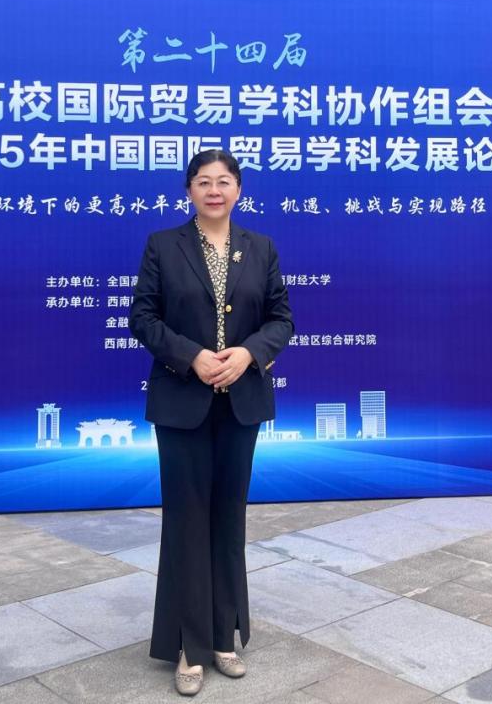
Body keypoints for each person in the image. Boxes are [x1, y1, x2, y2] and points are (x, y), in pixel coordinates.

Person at [129, 149, 295, 696]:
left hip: (240, 402)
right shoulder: (163, 245)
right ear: (189, 191)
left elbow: (281, 319)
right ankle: (189, 646)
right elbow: (142, 317)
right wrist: (193, 357)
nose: (214, 190)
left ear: (239, 190)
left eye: (224, 181)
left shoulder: (260, 247)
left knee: (228, 520)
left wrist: (248, 353)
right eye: (204, 182)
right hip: (182, 402)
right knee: (186, 521)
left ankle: (225, 637)